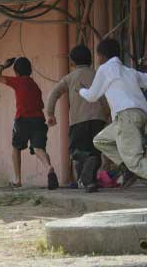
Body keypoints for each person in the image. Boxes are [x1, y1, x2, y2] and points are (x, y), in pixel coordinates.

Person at [79, 38, 147, 203]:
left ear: (102, 56)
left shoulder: (105, 69)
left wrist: (81, 91)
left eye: (98, 56)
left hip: (125, 116)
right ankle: (126, 168)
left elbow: (92, 96)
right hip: (135, 116)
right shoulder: (128, 71)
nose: (98, 59)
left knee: (134, 160)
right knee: (100, 140)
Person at [45, 45, 108, 193]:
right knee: (95, 152)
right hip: (98, 119)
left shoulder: (70, 77)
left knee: (76, 151)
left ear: (72, 62)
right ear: (91, 59)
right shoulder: (98, 75)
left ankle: (86, 166)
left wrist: (50, 113)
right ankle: (90, 183)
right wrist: (106, 114)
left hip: (79, 120)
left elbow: (54, 94)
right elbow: (105, 97)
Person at [0, 57, 58, 190]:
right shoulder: (35, 86)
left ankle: (18, 180)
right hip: (39, 120)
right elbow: (41, 105)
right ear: (30, 70)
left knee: (16, 148)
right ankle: (49, 167)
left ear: (16, 72)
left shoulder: (17, 82)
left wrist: (3, 65)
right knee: (39, 149)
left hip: (22, 120)